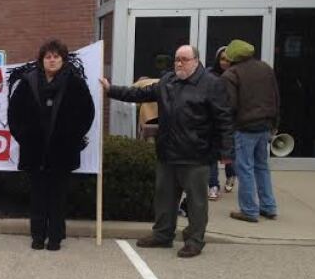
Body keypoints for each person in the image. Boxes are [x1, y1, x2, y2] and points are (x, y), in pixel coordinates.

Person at [100, 44, 233, 258]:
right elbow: (140, 93)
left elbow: (224, 119)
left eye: (185, 59)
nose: (179, 63)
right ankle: (162, 235)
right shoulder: (167, 81)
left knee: (197, 202)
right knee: (164, 199)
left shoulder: (212, 84)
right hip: (167, 153)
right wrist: (111, 90)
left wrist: (227, 152)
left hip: (196, 155)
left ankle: (195, 240)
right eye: (177, 59)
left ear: (196, 61)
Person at [8, 39, 95, 251]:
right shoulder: (27, 83)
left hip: (62, 151)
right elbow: (14, 115)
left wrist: (72, 138)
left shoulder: (75, 82)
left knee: (58, 196)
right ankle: (38, 236)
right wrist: (24, 138)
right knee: (38, 196)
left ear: (63, 59)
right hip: (35, 150)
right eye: (48, 56)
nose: (52, 60)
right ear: (42, 60)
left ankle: (55, 237)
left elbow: (87, 114)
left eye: (56, 56)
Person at [220, 39, 280, 222]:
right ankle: (269, 207)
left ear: (232, 56)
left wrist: (225, 131)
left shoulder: (231, 74)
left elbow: (230, 106)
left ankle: (249, 210)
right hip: (265, 126)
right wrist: (275, 124)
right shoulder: (265, 68)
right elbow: (276, 97)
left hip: (244, 127)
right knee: (262, 166)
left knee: (244, 168)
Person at [207, 46, 236, 200]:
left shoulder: (236, 75)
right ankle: (213, 186)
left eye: (228, 60)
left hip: (229, 120)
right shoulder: (209, 74)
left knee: (228, 153)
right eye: (222, 59)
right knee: (211, 155)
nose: (225, 62)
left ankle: (231, 175)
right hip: (211, 120)